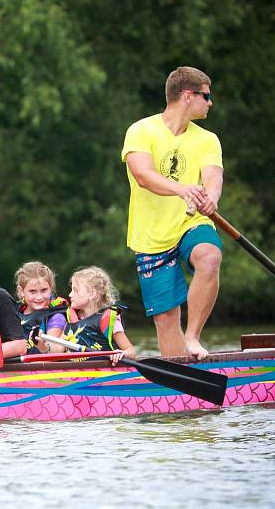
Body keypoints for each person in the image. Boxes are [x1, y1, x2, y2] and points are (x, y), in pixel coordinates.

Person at [121, 65, 223, 360]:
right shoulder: (141, 130)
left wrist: (211, 198)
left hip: (192, 222)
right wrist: (182, 190)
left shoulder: (208, 139)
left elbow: (213, 178)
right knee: (166, 319)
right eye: (207, 95)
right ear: (188, 95)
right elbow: (142, 175)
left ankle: (193, 337)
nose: (211, 102)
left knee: (209, 256)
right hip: (151, 234)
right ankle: (182, 385)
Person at [51, 266, 135, 365]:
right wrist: (43, 346)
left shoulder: (107, 319)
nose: (70, 294)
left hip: (105, 372)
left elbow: (131, 352)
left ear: (92, 293)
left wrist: (122, 354)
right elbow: (58, 349)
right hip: (76, 373)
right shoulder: (72, 318)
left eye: (75, 290)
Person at [14, 261, 68, 354]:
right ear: (21, 291)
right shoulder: (14, 311)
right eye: (32, 291)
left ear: (51, 288)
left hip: (42, 367)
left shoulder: (56, 316)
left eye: (44, 290)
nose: (39, 297)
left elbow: (53, 350)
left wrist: (42, 346)